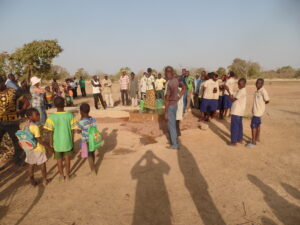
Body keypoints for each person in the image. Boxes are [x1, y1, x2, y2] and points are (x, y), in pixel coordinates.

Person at [44, 96, 77, 181]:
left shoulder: (51, 117)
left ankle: (61, 176)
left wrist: (51, 144)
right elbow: (73, 130)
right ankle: (68, 175)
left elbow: (50, 132)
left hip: (57, 143)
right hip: (68, 142)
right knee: (67, 159)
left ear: (54, 105)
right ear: (64, 104)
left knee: (59, 160)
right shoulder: (70, 115)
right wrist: (72, 141)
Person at [0, 76, 30, 165]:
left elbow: (26, 102)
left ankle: (18, 159)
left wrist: (20, 112)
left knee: (16, 141)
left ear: (2, 82)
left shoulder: (13, 92)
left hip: (12, 122)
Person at [24, 108, 51, 186]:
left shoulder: (26, 125)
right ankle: (45, 180)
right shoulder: (35, 127)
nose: (39, 116)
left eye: (38, 114)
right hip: (38, 148)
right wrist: (49, 147)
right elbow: (40, 141)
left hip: (28, 148)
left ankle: (32, 181)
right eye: (37, 115)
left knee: (31, 165)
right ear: (30, 117)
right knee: (42, 164)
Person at [164, 66, 185, 150]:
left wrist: (165, 112)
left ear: (166, 72)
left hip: (170, 106)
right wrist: (178, 96)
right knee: (174, 125)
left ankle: (175, 145)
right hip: (175, 105)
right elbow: (184, 88)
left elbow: (166, 100)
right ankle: (175, 142)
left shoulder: (169, 83)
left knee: (171, 126)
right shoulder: (176, 80)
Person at [247, 79, 270, 147]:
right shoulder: (257, 91)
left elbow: (267, 100)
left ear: (262, 84)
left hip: (258, 112)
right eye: (257, 83)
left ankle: (253, 142)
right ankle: (257, 138)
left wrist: (261, 106)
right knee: (258, 125)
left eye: (259, 83)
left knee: (253, 126)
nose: (257, 84)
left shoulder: (263, 91)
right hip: (256, 112)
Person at [77, 103, 98, 175]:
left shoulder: (81, 122)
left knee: (89, 155)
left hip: (86, 141)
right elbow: (95, 128)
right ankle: (93, 165)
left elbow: (78, 131)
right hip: (93, 139)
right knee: (92, 153)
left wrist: (81, 119)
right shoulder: (93, 119)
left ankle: (92, 170)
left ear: (81, 112)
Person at [226, 78, 247, 146]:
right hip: (239, 111)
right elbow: (232, 95)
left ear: (244, 84)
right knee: (239, 126)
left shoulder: (242, 91)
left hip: (236, 111)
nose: (239, 85)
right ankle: (239, 139)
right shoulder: (240, 90)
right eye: (238, 84)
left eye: (240, 84)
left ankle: (234, 142)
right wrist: (229, 91)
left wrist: (227, 91)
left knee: (234, 127)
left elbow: (232, 99)